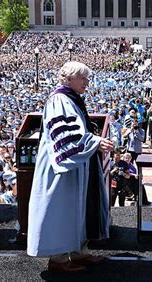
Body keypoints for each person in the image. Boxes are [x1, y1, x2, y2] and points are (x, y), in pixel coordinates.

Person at [27, 61, 114, 272]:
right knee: (62, 210)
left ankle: (79, 253)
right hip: (62, 169)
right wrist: (94, 142)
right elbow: (67, 135)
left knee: (78, 209)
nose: (87, 82)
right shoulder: (60, 99)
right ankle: (58, 260)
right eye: (82, 78)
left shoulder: (72, 99)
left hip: (76, 167)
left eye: (87, 77)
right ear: (68, 79)